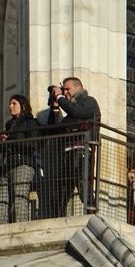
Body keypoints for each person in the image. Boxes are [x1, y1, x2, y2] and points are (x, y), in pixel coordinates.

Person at [42, 77, 100, 217]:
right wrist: (55, 107)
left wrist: (60, 97)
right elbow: (55, 129)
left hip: (82, 152)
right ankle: (58, 218)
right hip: (66, 156)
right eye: (64, 90)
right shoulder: (70, 113)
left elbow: (77, 112)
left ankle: (92, 216)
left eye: (68, 89)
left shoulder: (89, 102)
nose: (65, 93)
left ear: (79, 87)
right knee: (62, 191)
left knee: (83, 185)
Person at [0, 94, 41, 224]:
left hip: (22, 164)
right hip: (6, 165)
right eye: (10, 103)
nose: (10, 106)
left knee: (19, 197)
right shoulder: (9, 125)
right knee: (1, 200)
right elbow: (3, 149)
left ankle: (20, 226)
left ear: (23, 105)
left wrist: (9, 140)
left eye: (14, 103)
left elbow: (33, 143)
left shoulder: (30, 122)